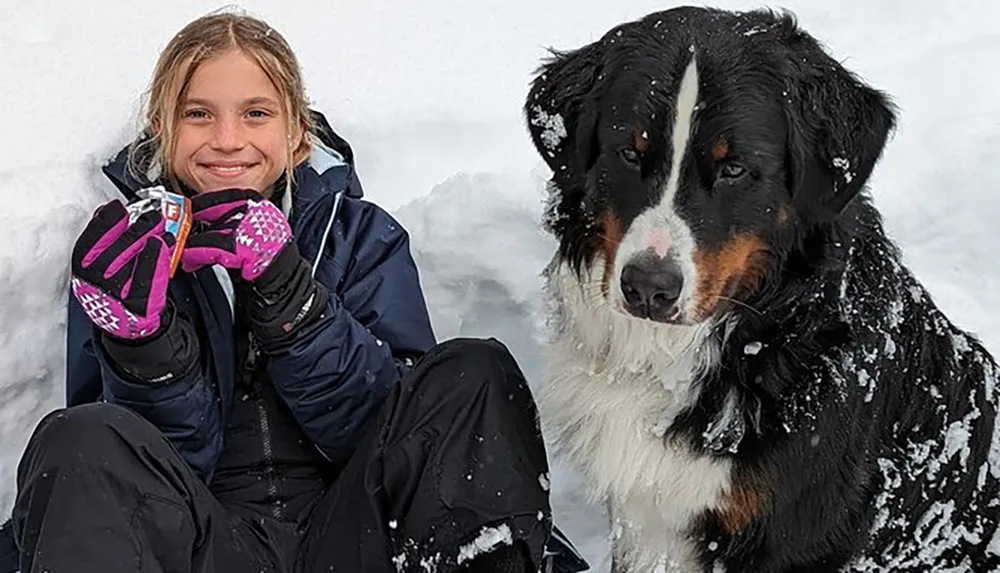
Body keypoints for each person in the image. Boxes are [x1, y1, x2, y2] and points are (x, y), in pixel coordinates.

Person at [0, 10, 588, 573]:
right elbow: (134, 475)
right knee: (78, 437)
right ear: (163, 128)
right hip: (205, 542)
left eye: (256, 113)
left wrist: (290, 297)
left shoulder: (356, 234)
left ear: (296, 132)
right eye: (198, 114)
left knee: (472, 370)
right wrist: (143, 346)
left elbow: (401, 437)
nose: (228, 139)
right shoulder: (123, 254)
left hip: (355, 535)